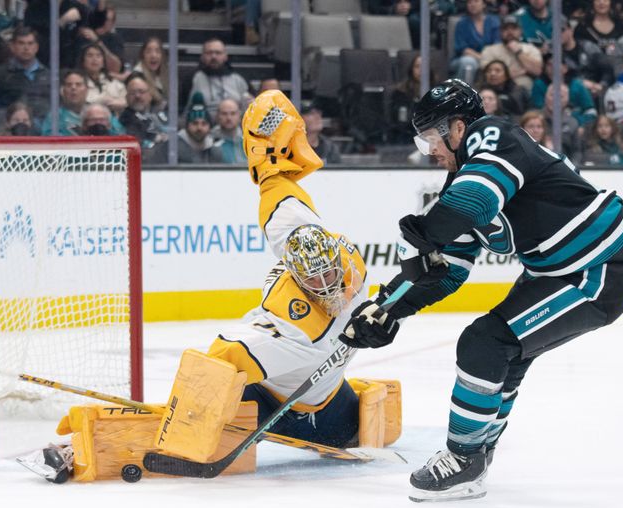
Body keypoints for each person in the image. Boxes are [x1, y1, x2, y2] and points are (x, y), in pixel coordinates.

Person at [20, 90, 401, 483]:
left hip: (282, 415)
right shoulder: (352, 265)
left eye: (327, 275)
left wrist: (267, 161)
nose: (325, 284)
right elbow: (292, 214)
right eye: (314, 275)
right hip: (339, 412)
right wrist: (276, 168)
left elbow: (223, 356)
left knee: (200, 398)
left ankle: (79, 449)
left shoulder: (295, 330)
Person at [339, 79, 623, 503]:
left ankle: (464, 459)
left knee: (486, 342)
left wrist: (425, 233)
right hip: (555, 271)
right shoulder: (459, 180)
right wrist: (388, 308)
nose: (432, 152)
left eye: (431, 139)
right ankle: (474, 457)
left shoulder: (494, 135)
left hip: (597, 267)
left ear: (458, 128)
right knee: (503, 354)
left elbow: (476, 203)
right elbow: (446, 272)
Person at [0, 26, 52, 125]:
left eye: (30, 43)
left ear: (36, 47)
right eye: (21, 43)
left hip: (45, 132)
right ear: (12, 46)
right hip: (9, 132)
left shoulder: (50, 76)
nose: (26, 48)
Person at [185, 38, 253, 117]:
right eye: (209, 53)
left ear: (225, 56)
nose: (213, 57)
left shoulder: (239, 78)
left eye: (218, 53)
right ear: (202, 56)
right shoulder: (192, 78)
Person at [41, 70, 124, 136]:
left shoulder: (99, 112)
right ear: (62, 91)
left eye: (78, 84)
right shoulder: (54, 117)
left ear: (87, 90)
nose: (73, 88)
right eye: (69, 85)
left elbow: (119, 133)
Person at [480, 15, 543, 91]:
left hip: (521, 91)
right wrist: (522, 72)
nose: (510, 32)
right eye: (506, 29)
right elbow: (488, 75)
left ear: (520, 31)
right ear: (500, 32)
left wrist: (519, 52)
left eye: (514, 28)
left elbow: (537, 71)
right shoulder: (489, 50)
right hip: (495, 89)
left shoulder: (530, 48)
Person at [531, 53, 597, 126]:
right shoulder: (539, 84)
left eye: (556, 64)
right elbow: (537, 110)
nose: (552, 68)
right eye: (549, 65)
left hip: (574, 125)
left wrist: (578, 123)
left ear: (565, 68)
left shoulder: (577, 85)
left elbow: (591, 111)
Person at [119, 73, 168, 164]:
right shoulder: (124, 120)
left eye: (141, 92)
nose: (137, 96)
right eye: (133, 93)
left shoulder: (161, 115)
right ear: (126, 97)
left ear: (150, 95)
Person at [450, 0, 501, 86]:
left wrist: (488, 58)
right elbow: (463, 49)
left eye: (476, 1)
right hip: (464, 58)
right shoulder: (462, 23)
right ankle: (463, 93)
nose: (472, 4)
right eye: (469, 2)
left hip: (491, 57)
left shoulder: (494, 21)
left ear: (484, 4)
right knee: (468, 62)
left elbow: (497, 44)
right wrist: (482, 58)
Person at [78, 43, 127, 114]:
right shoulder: (78, 82)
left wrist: (117, 104)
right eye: (90, 55)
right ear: (83, 61)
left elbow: (127, 101)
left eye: (98, 56)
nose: (94, 59)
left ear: (103, 62)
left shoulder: (113, 82)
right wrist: (102, 101)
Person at [209, 98, 247, 165]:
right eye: (224, 114)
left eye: (233, 113)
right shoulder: (210, 142)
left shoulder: (249, 139)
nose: (229, 118)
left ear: (239, 116)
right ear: (217, 116)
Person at [133, 37, 168, 107]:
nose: (153, 55)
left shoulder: (164, 76)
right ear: (143, 55)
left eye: (158, 51)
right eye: (148, 52)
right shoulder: (136, 78)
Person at [178, 97, 214, 163]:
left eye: (204, 124)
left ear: (210, 127)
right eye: (195, 123)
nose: (199, 128)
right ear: (186, 126)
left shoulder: (214, 147)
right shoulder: (174, 147)